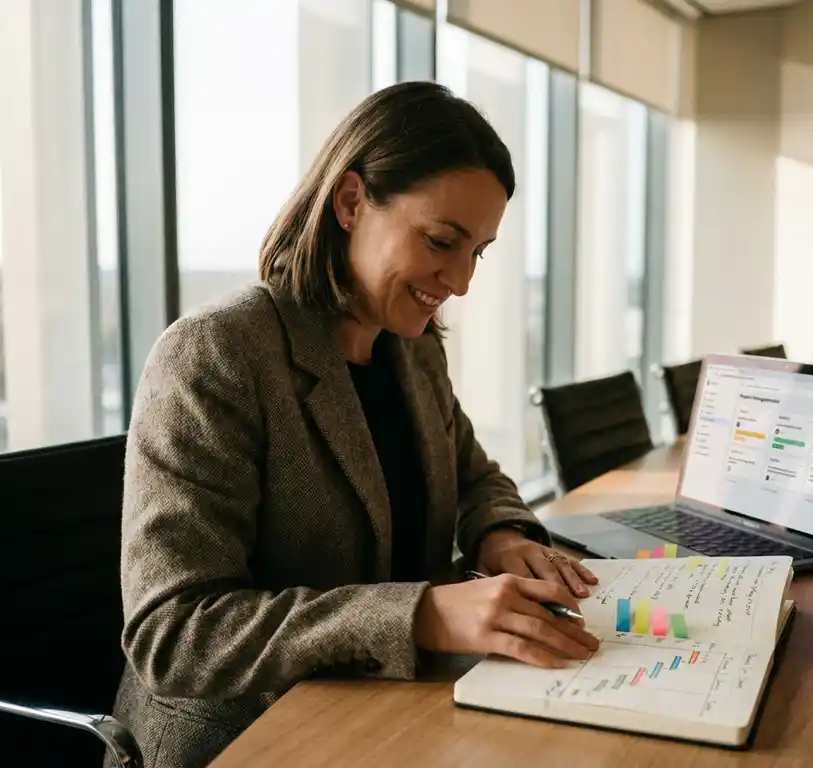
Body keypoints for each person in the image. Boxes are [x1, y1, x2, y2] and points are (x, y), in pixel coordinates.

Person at [108, 81, 601, 768]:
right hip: (243, 740)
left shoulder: (413, 347)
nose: (461, 282)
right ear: (349, 203)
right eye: (442, 241)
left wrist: (502, 534)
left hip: (392, 713)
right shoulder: (218, 353)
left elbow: (474, 476)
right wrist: (422, 615)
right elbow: (177, 635)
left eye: (478, 252)